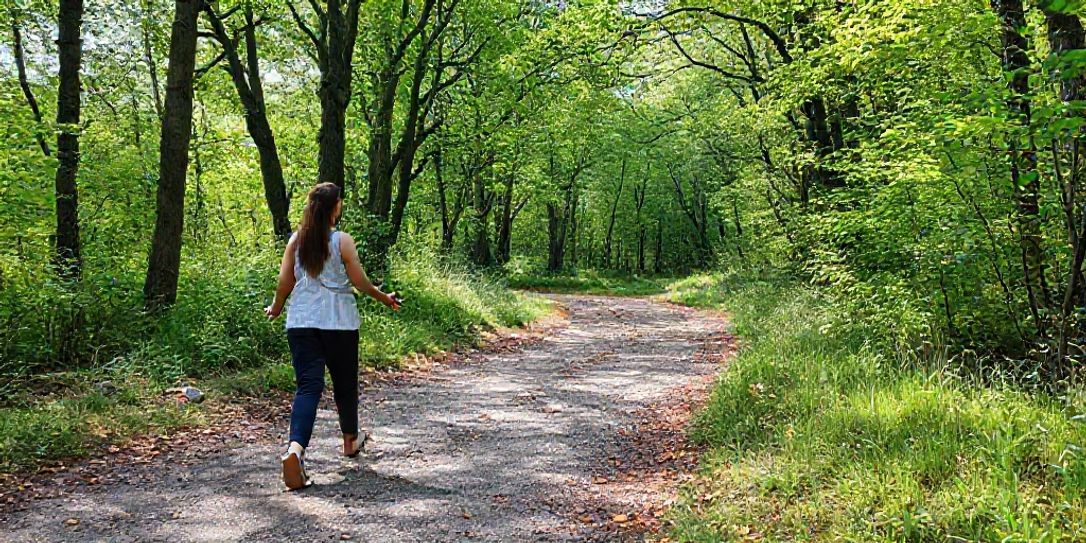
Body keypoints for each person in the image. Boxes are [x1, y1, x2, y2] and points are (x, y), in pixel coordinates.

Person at [265, 182, 400, 490]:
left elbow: (284, 282)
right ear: (335, 207)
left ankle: (295, 451)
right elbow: (361, 283)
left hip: (301, 322)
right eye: (340, 202)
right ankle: (350, 440)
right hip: (339, 322)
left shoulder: (296, 240)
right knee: (344, 384)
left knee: (308, 387)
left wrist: (275, 308)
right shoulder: (342, 241)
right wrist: (385, 298)